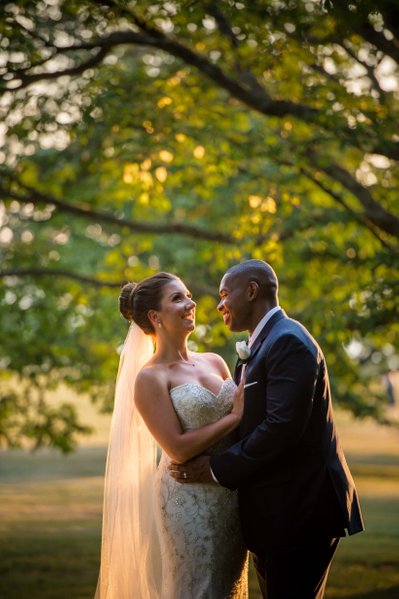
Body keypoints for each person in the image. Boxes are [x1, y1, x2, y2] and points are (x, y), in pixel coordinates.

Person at [170, 259, 364, 599]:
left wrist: (215, 468)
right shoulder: (263, 342)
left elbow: (281, 428)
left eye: (225, 294)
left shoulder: (289, 342)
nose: (218, 305)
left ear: (252, 291)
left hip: (299, 511)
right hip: (274, 512)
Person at [95, 272, 248, 599]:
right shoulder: (150, 377)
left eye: (188, 295)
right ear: (155, 316)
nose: (191, 303)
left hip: (230, 495)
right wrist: (235, 416)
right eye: (178, 298)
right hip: (189, 498)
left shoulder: (215, 361)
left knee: (228, 584)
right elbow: (177, 448)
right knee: (198, 586)